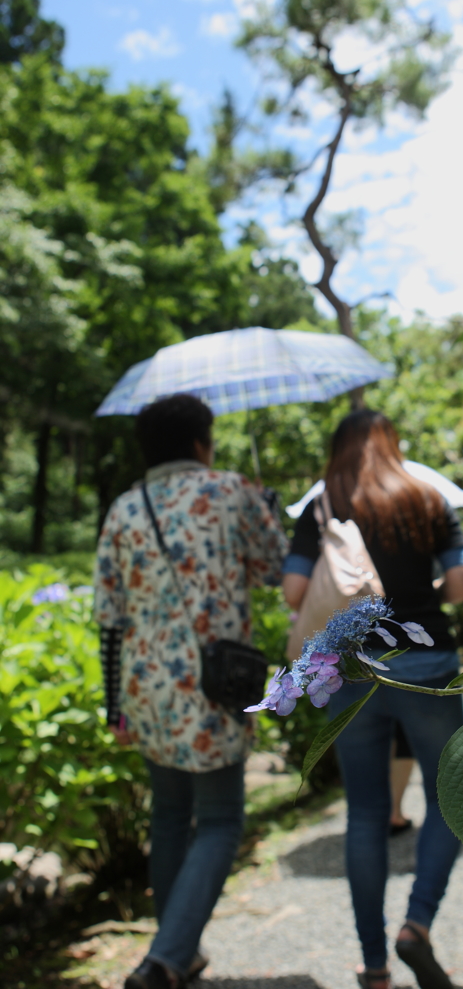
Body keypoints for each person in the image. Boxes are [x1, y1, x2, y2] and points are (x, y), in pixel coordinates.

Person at [95, 393, 288, 989]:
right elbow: (277, 569)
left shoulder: (124, 508)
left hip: (145, 689)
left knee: (171, 817)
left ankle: (178, 951)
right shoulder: (232, 491)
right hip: (213, 685)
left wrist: (113, 703)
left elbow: (109, 615)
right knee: (223, 818)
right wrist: (269, 508)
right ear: (202, 442)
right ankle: (167, 960)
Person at [282, 410, 463, 989]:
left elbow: (294, 592)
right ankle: (416, 926)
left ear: (336, 449)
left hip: (350, 668)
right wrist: (424, 591)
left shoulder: (322, 505)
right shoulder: (425, 496)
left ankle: (373, 967)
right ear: (395, 445)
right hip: (427, 663)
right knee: (450, 801)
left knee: (365, 813)